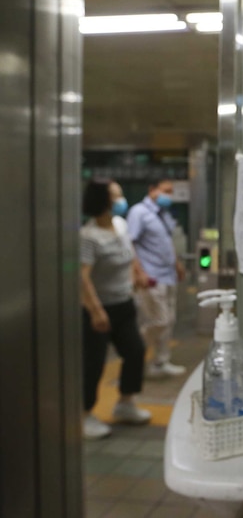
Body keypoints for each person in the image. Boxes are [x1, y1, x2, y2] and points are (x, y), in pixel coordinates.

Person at [81, 179, 152, 440]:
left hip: (124, 304)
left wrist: (139, 273)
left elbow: (130, 252)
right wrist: (96, 311)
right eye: (116, 195)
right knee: (93, 364)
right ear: (104, 201)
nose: (121, 199)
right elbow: (82, 278)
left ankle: (125, 403)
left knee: (135, 351)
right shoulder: (88, 237)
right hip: (98, 309)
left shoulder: (120, 225)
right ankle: (84, 414)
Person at [127, 179, 188, 378]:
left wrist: (177, 264)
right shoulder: (139, 213)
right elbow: (130, 244)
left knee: (169, 320)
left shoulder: (162, 214)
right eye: (165, 191)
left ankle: (161, 362)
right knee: (159, 320)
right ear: (152, 189)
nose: (168, 195)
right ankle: (136, 345)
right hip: (151, 276)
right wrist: (139, 272)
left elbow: (166, 242)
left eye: (171, 191)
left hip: (168, 274)